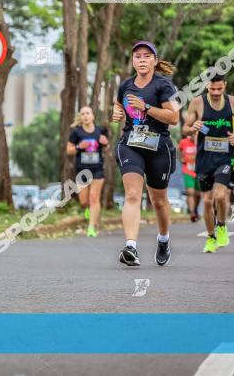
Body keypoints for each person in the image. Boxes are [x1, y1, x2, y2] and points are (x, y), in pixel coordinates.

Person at [111, 41, 180, 267]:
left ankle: (163, 239)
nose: (141, 59)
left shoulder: (164, 86)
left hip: (159, 147)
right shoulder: (125, 86)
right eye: (137, 56)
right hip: (131, 143)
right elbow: (119, 105)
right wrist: (117, 112)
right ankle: (131, 247)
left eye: (146, 56)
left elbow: (173, 118)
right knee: (132, 194)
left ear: (154, 61)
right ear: (132, 61)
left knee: (158, 201)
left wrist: (146, 107)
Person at [182, 74, 234, 253]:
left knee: (220, 196)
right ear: (206, 86)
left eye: (220, 88)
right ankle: (211, 238)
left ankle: (222, 226)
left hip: (225, 158)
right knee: (208, 200)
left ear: (225, 85)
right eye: (212, 89)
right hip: (204, 159)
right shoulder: (197, 103)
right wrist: (192, 128)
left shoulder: (233, 102)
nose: (216, 92)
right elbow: (185, 129)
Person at [66, 106, 108, 237]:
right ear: (81, 117)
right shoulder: (76, 133)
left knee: (94, 198)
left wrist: (106, 143)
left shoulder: (101, 131)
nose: (85, 116)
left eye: (87, 113)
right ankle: (87, 208)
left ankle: (91, 227)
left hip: (97, 169)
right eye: (83, 114)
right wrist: (79, 147)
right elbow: (69, 150)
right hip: (82, 170)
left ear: (92, 116)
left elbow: (107, 148)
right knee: (84, 201)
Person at [178, 134, 198, 221]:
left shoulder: (202, 141)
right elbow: (179, 150)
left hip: (199, 171)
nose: (195, 136)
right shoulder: (184, 142)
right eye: (194, 134)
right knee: (190, 192)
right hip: (187, 170)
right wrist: (181, 158)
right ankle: (192, 212)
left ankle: (195, 209)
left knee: (198, 194)